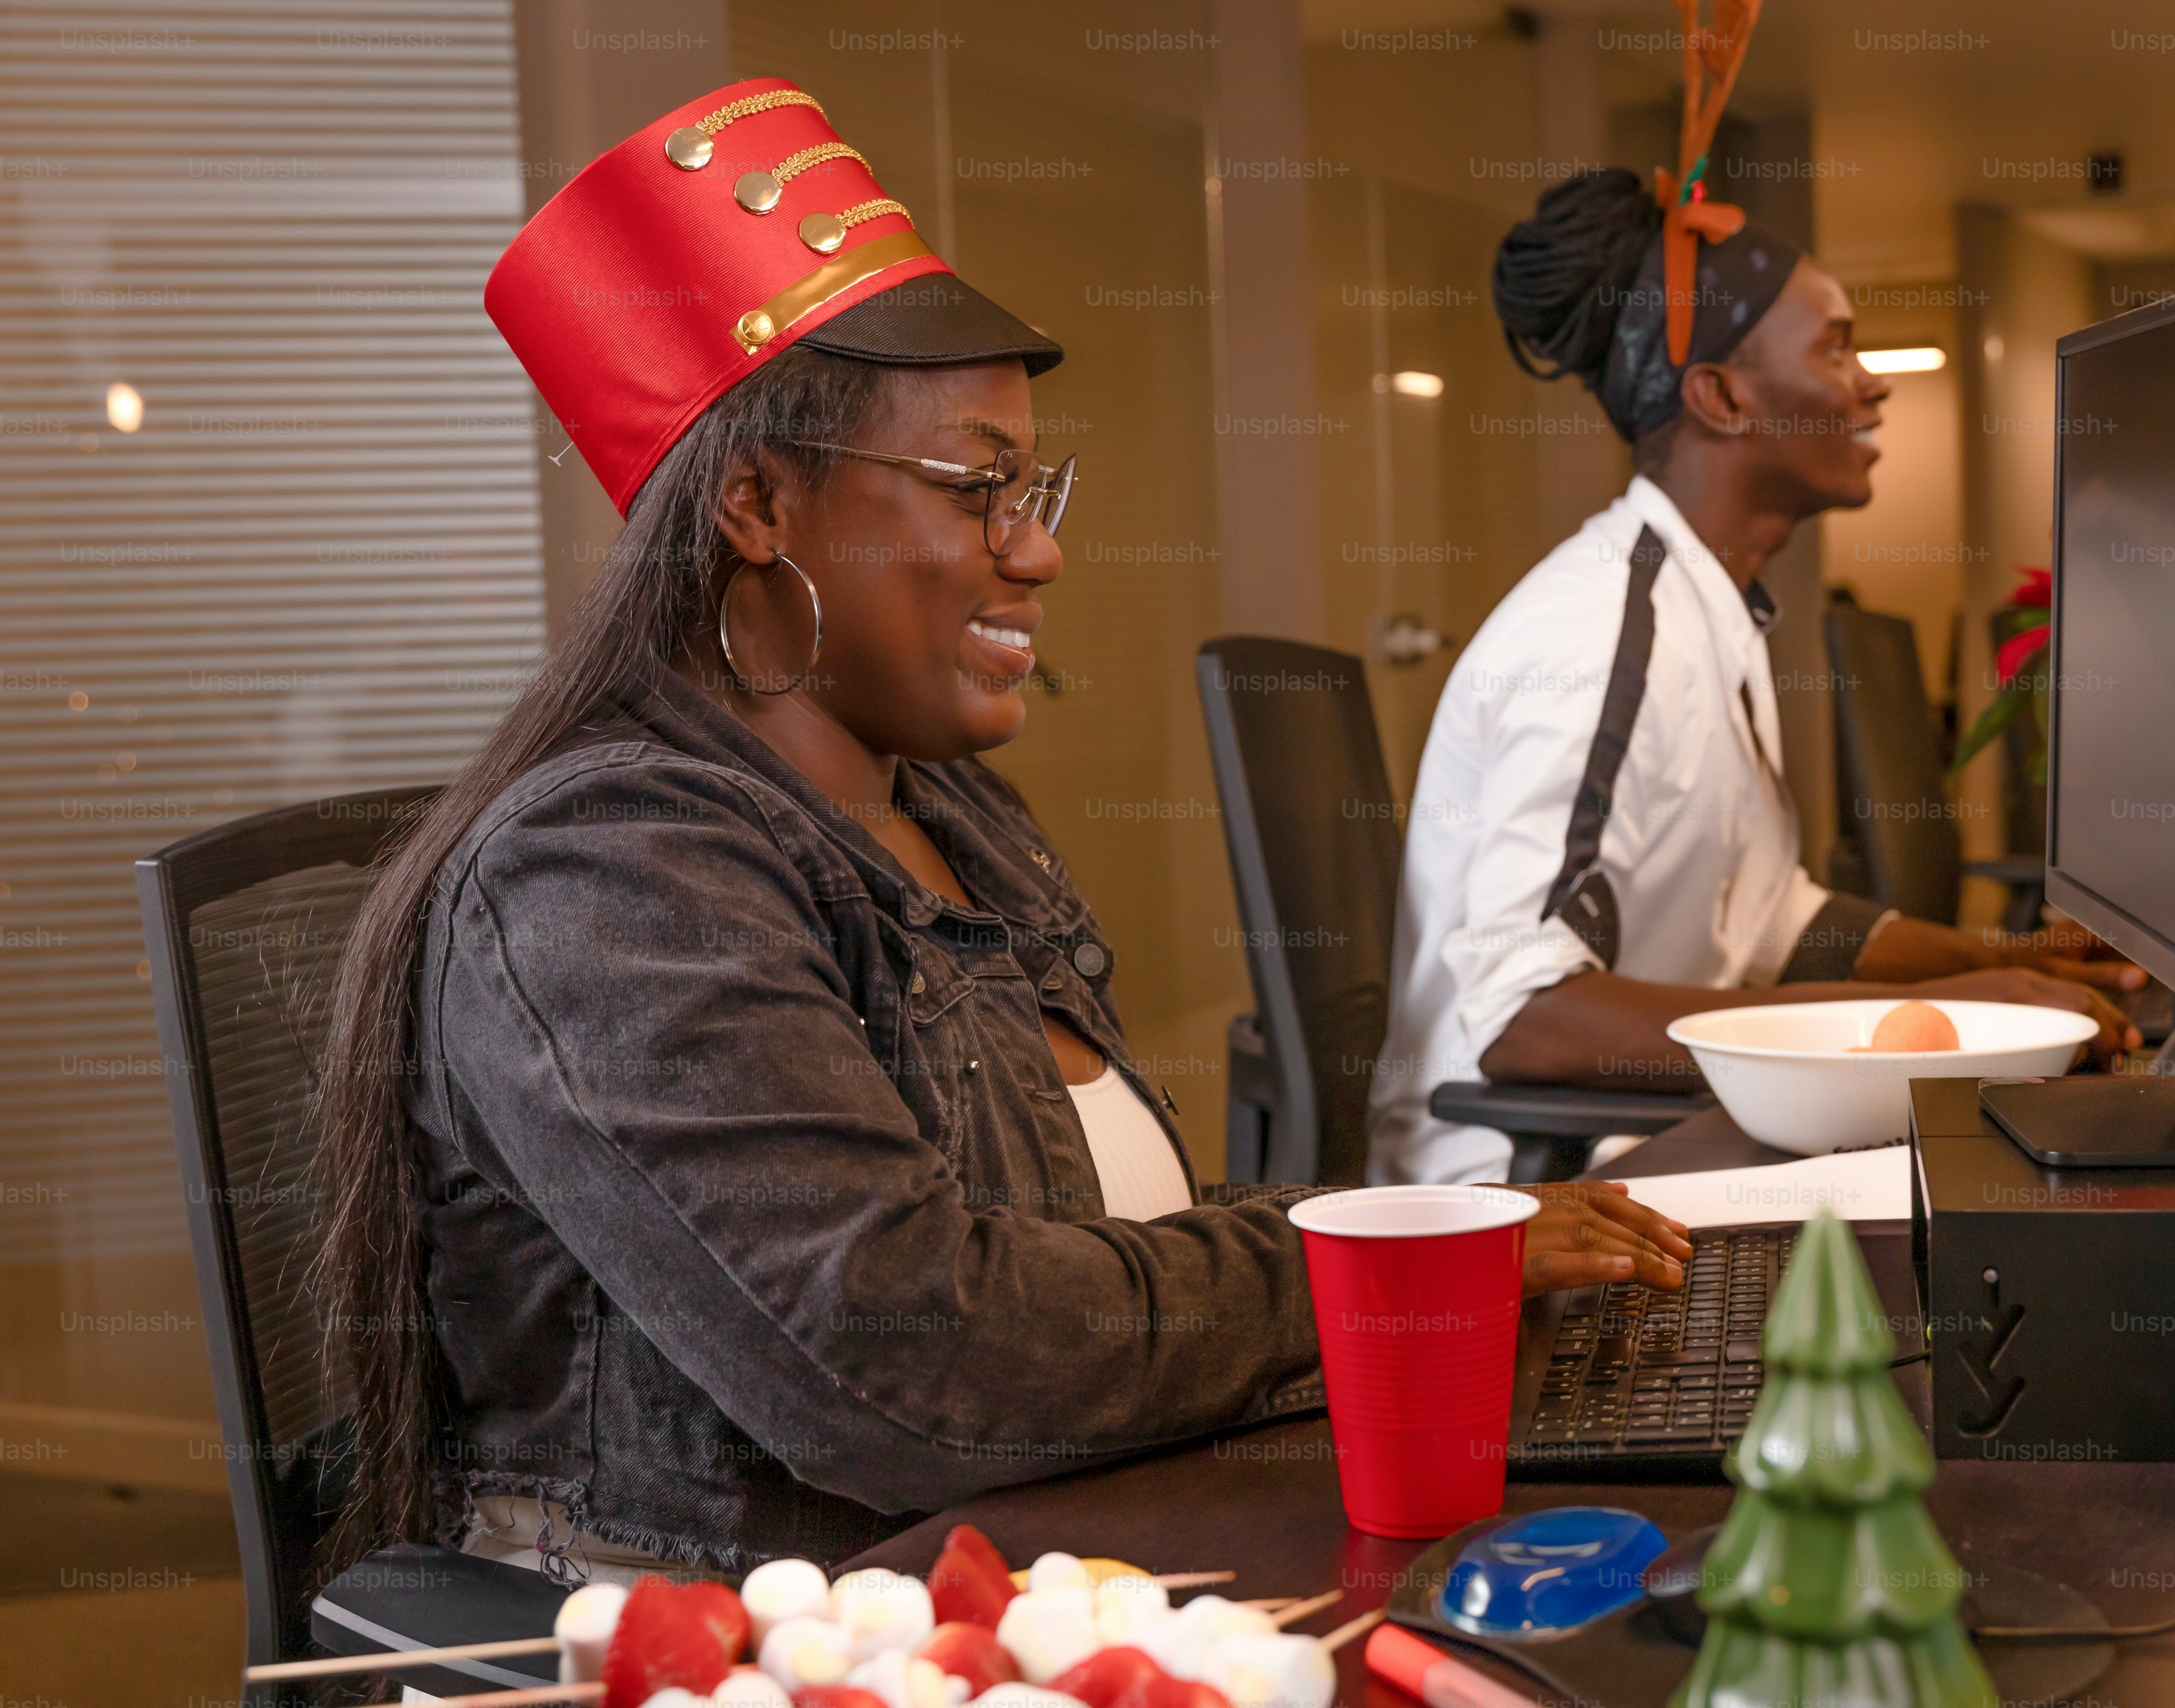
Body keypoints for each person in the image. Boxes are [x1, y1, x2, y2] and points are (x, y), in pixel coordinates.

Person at [312, 81, 1691, 1579]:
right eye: (976, 489)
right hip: (767, 1625)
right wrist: (1376, 1271)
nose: (1036, 551)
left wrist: (1431, 1248)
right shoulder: (606, 879)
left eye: (1030, 489)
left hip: (1031, 1537)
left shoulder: (950, 811)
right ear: (757, 503)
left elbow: (1090, 1241)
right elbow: (912, 1364)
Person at [1368, 169, 2144, 1186]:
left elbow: (1773, 919)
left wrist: (2012, 961)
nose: (1873, 381)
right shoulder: (1600, 634)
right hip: (1527, 1183)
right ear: (1722, 396)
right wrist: (1938, 1018)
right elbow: (1525, 1018)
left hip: (1654, 1130)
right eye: (1836, 343)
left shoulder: (1703, 609)